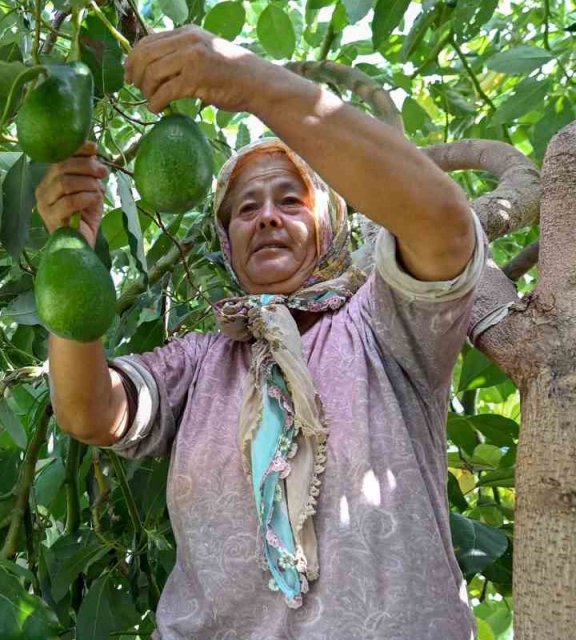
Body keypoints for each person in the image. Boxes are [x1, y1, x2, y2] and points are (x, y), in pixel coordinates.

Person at [37, 25, 485, 639]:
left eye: (292, 202)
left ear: (334, 227)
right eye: (246, 208)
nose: (267, 216)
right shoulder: (203, 361)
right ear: (227, 243)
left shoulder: (385, 326)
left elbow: (444, 227)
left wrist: (254, 85)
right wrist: (71, 249)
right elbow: (89, 411)